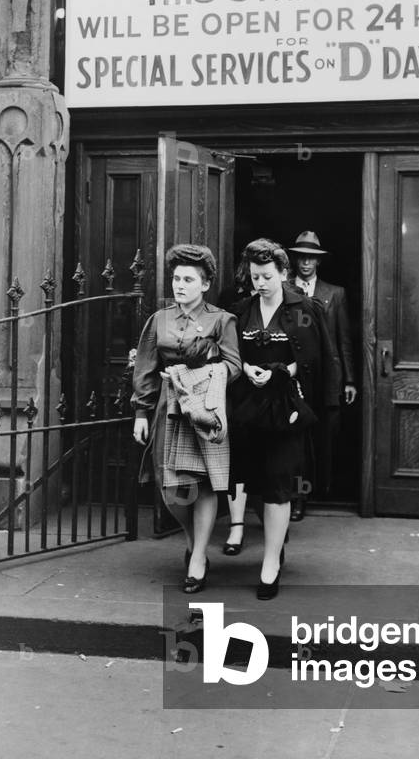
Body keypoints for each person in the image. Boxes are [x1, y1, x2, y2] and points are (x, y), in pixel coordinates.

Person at [228, 238, 340, 599]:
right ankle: (272, 543)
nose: (259, 283)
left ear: (283, 273)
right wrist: (246, 368)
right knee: (253, 481)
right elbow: (230, 353)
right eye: (254, 276)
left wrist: (283, 371)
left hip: (287, 409)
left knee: (278, 483)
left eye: (266, 276)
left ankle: (270, 562)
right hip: (248, 408)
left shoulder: (305, 309)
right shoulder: (241, 311)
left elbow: (317, 359)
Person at [131, 244, 241, 594]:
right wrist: (140, 412)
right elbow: (145, 368)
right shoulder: (159, 320)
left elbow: (235, 366)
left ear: (205, 284)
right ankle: (194, 541)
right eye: (176, 278)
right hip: (168, 409)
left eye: (188, 279)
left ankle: (198, 559)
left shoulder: (222, 320)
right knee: (171, 487)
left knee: (204, 483)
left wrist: (205, 367)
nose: (179, 285)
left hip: (205, 410)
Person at [288, 230, 357, 521]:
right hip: (294, 374)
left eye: (311, 258)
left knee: (325, 435)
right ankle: (297, 499)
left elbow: (344, 340)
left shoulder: (335, 293)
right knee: (295, 438)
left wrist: (349, 379)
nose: (306, 263)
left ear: (318, 262)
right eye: (301, 257)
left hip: (327, 376)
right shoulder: (283, 287)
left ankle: (322, 489)